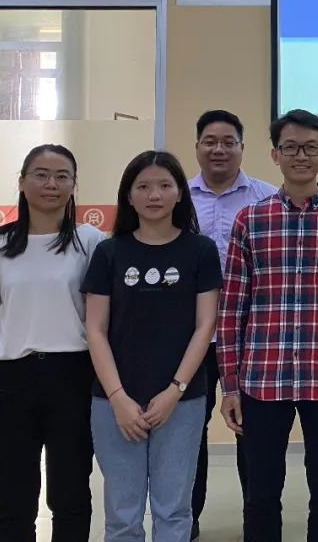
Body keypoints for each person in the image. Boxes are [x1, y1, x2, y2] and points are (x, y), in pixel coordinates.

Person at [217, 109, 318, 542]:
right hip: (261, 379)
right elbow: (232, 308)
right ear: (275, 154)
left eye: (310, 148)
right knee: (261, 494)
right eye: (290, 147)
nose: (300, 156)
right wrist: (229, 385)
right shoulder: (251, 219)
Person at [83, 151, 221, 542]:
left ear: (180, 193)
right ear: (129, 196)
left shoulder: (201, 250)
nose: (154, 195)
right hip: (114, 401)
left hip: (182, 401)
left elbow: (205, 325)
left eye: (164, 185)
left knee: (174, 510)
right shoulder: (109, 253)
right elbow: (95, 329)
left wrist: (174, 391)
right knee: (122, 514)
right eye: (143, 186)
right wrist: (118, 398)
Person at [0, 144, 105, 542]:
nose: (52, 184)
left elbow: (100, 314)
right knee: (13, 499)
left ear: (74, 184)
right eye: (41, 175)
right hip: (11, 379)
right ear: (22, 182)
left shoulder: (90, 241)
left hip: (73, 376)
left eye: (62, 176)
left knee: (71, 494)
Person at [188, 109, 277, 540]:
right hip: (191, 338)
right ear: (197, 147)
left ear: (242, 147)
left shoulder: (267, 197)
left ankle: (256, 522)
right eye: (210, 141)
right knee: (189, 432)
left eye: (228, 142)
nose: (219, 149)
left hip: (251, 337)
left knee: (254, 435)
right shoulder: (177, 198)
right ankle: (185, 519)